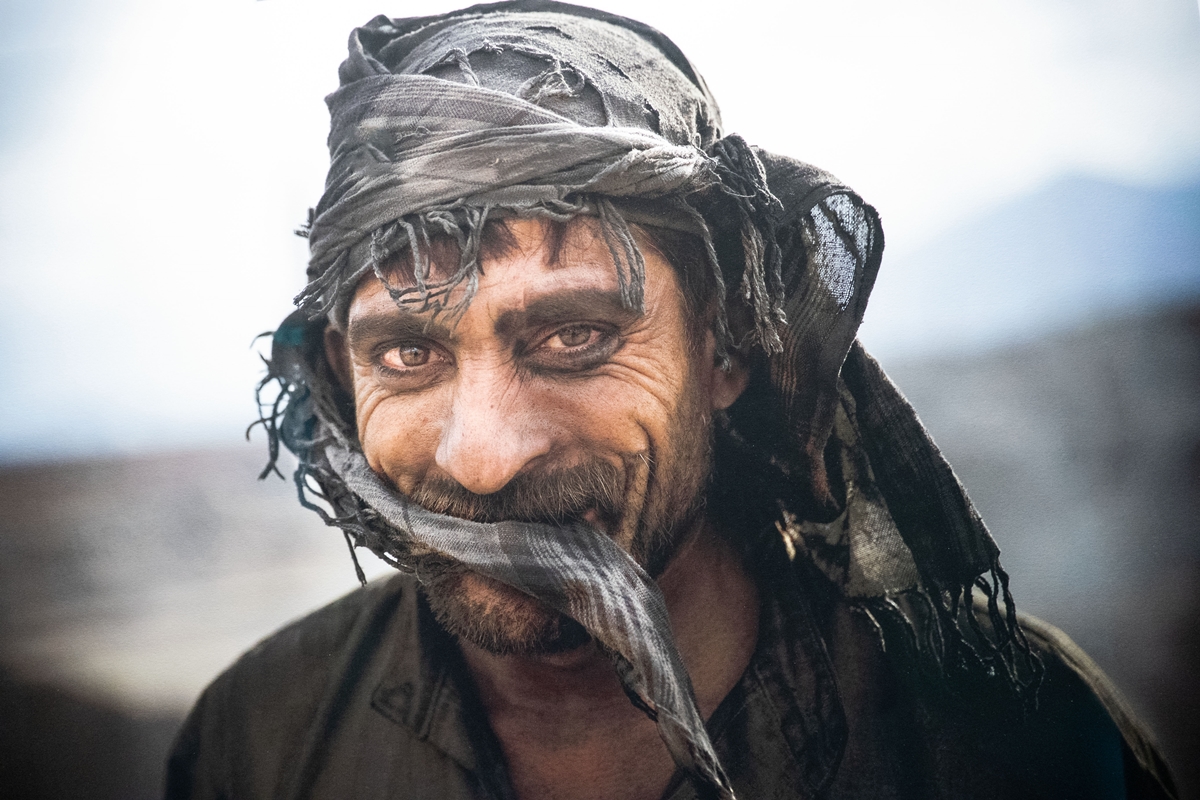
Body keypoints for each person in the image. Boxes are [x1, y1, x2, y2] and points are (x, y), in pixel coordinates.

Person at [165, 2, 1178, 798]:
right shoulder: (261, 742)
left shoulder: (1014, 739)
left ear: (727, 346)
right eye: (409, 352)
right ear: (342, 374)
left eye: (574, 336)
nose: (484, 456)